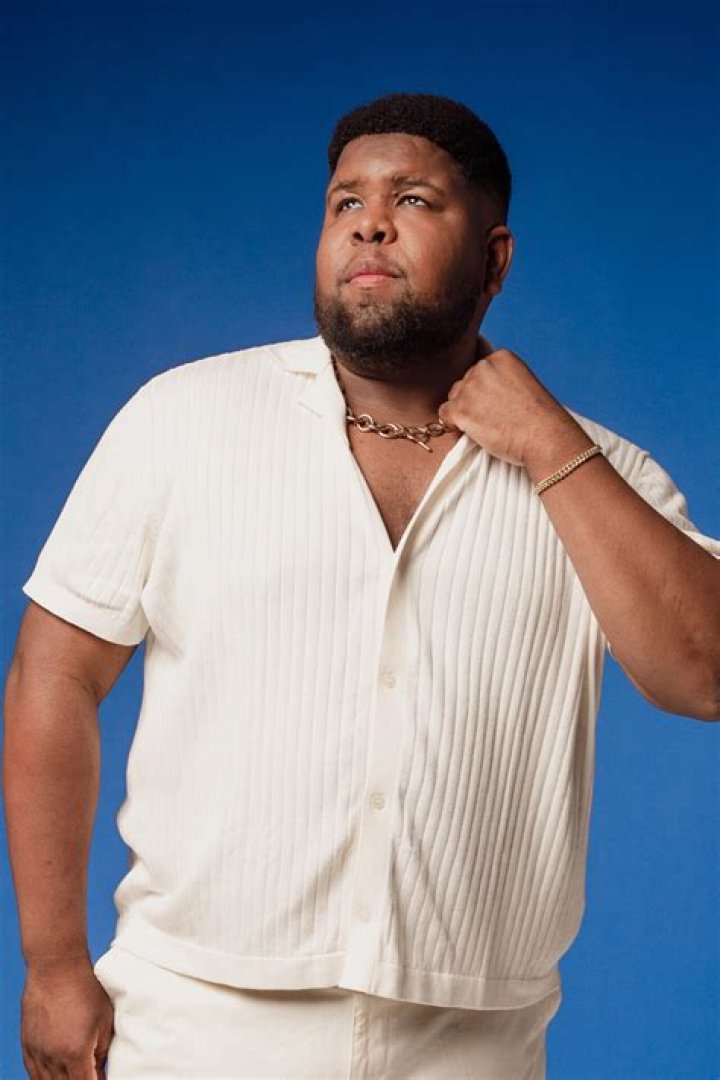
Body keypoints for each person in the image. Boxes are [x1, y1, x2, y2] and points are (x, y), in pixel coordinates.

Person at [4, 91, 719, 1080]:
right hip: (194, 1023)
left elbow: (704, 675)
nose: (369, 224)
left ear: (496, 260)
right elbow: (54, 674)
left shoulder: (602, 472)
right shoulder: (183, 418)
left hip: (476, 1043)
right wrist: (52, 965)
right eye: (347, 202)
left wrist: (551, 447)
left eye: (414, 199)